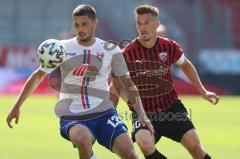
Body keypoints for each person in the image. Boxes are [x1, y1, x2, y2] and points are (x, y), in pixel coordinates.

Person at [6, 4, 154, 159]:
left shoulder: (111, 50)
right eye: (76, 24)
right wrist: (17, 106)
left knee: (131, 155)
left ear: (95, 23)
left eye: (84, 24)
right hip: (73, 116)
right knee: (82, 139)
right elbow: (37, 76)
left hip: (105, 114)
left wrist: (142, 114)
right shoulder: (62, 49)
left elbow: (128, 83)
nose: (80, 29)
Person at [110, 4, 219, 159]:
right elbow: (116, 86)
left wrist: (203, 90)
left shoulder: (169, 46)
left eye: (147, 22)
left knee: (196, 149)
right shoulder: (127, 53)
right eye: (139, 23)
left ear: (157, 24)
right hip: (144, 113)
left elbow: (186, 65)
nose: (143, 27)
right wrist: (118, 109)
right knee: (144, 143)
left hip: (171, 109)